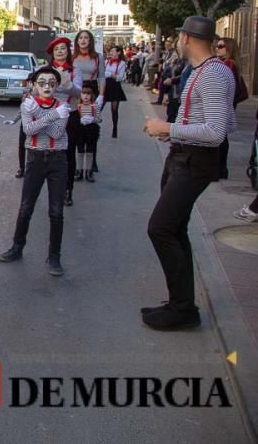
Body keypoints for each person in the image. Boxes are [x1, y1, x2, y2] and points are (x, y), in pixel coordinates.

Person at [142, 16, 235, 331]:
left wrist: (169, 127)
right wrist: (177, 133)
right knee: (175, 229)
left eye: (179, 37)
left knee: (161, 228)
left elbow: (217, 131)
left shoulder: (212, 74)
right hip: (184, 155)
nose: (177, 42)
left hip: (195, 162)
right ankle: (181, 305)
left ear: (186, 38)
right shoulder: (204, 71)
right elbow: (227, 122)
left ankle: (182, 309)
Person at [0, 66, 71, 276]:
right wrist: (50, 116)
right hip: (36, 159)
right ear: (34, 85)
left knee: (56, 210)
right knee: (26, 206)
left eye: (51, 83)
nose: (46, 87)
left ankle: (54, 256)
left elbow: (57, 134)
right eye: (42, 83)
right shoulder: (28, 105)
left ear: (57, 86)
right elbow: (28, 130)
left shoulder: (62, 106)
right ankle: (17, 246)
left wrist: (38, 116)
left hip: (58, 160)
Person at [45, 36, 82, 207]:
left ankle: (68, 189)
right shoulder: (45, 70)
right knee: (50, 153)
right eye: (57, 49)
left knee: (68, 153)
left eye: (63, 49)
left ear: (68, 52)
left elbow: (78, 92)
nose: (60, 52)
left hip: (70, 115)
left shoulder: (75, 70)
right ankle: (54, 188)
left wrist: (65, 81)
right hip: (50, 115)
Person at [217, 36, 243, 180]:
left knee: (221, 137)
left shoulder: (228, 64)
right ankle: (221, 169)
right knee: (222, 136)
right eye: (217, 46)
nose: (217, 48)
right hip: (227, 103)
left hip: (225, 104)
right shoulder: (229, 64)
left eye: (221, 46)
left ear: (229, 48)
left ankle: (221, 169)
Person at [73, 85, 103, 184]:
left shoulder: (95, 106)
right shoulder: (78, 106)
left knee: (90, 151)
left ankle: (89, 171)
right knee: (80, 151)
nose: (86, 96)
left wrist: (92, 119)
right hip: (80, 130)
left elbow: (99, 118)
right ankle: (79, 171)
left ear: (92, 96)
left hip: (91, 130)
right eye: (83, 93)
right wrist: (79, 120)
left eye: (88, 94)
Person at [102, 46, 127, 139]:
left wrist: (109, 74)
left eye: (113, 51)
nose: (111, 53)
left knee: (114, 110)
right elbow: (102, 73)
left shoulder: (122, 63)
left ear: (119, 52)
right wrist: (111, 74)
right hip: (105, 86)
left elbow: (120, 78)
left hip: (115, 87)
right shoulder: (106, 62)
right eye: (110, 51)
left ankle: (115, 128)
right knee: (99, 107)